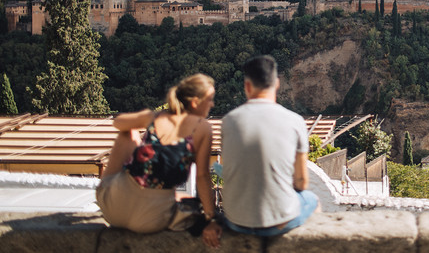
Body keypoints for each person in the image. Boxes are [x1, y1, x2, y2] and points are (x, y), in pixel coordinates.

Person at [201, 55, 318, 248]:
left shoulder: (229, 121)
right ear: (277, 84)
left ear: (247, 86)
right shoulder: (295, 120)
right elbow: (302, 182)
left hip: (235, 220)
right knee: (312, 200)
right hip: (279, 221)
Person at [97, 73, 217, 234]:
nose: (213, 104)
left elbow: (118, 123)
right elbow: (202, 176)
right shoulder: (202, 128)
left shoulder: (155, 117)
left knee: (127, 134)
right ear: (195, 102)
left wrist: (146, 123)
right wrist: (212, 219)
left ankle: (112, 186)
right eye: (210, 99)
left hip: (112, 209)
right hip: (151, 219)